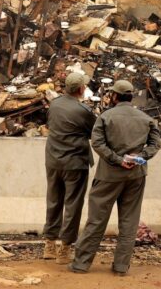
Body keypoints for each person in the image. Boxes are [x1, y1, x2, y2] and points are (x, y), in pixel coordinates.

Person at [70, 79, 161, 276]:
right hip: (136, 176)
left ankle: (81, 264)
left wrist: (118, 160)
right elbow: (156, 144)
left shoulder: (105, 117)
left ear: (115, 96)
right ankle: (121, 267)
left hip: (108, 177)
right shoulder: (145, 118)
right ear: (131, 96)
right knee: (129, 222)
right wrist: (140, 157)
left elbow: (97, 143)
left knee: (96, 221)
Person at [42, 70, 96, 265]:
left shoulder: (54, 104)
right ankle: (64, 249)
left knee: (54, 201)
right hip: (75, 163)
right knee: (73, 204)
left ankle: (49, 244)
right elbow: (95, 132)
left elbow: (50, 125)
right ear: (81, 89)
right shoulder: (83, 111)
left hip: (53, 160)